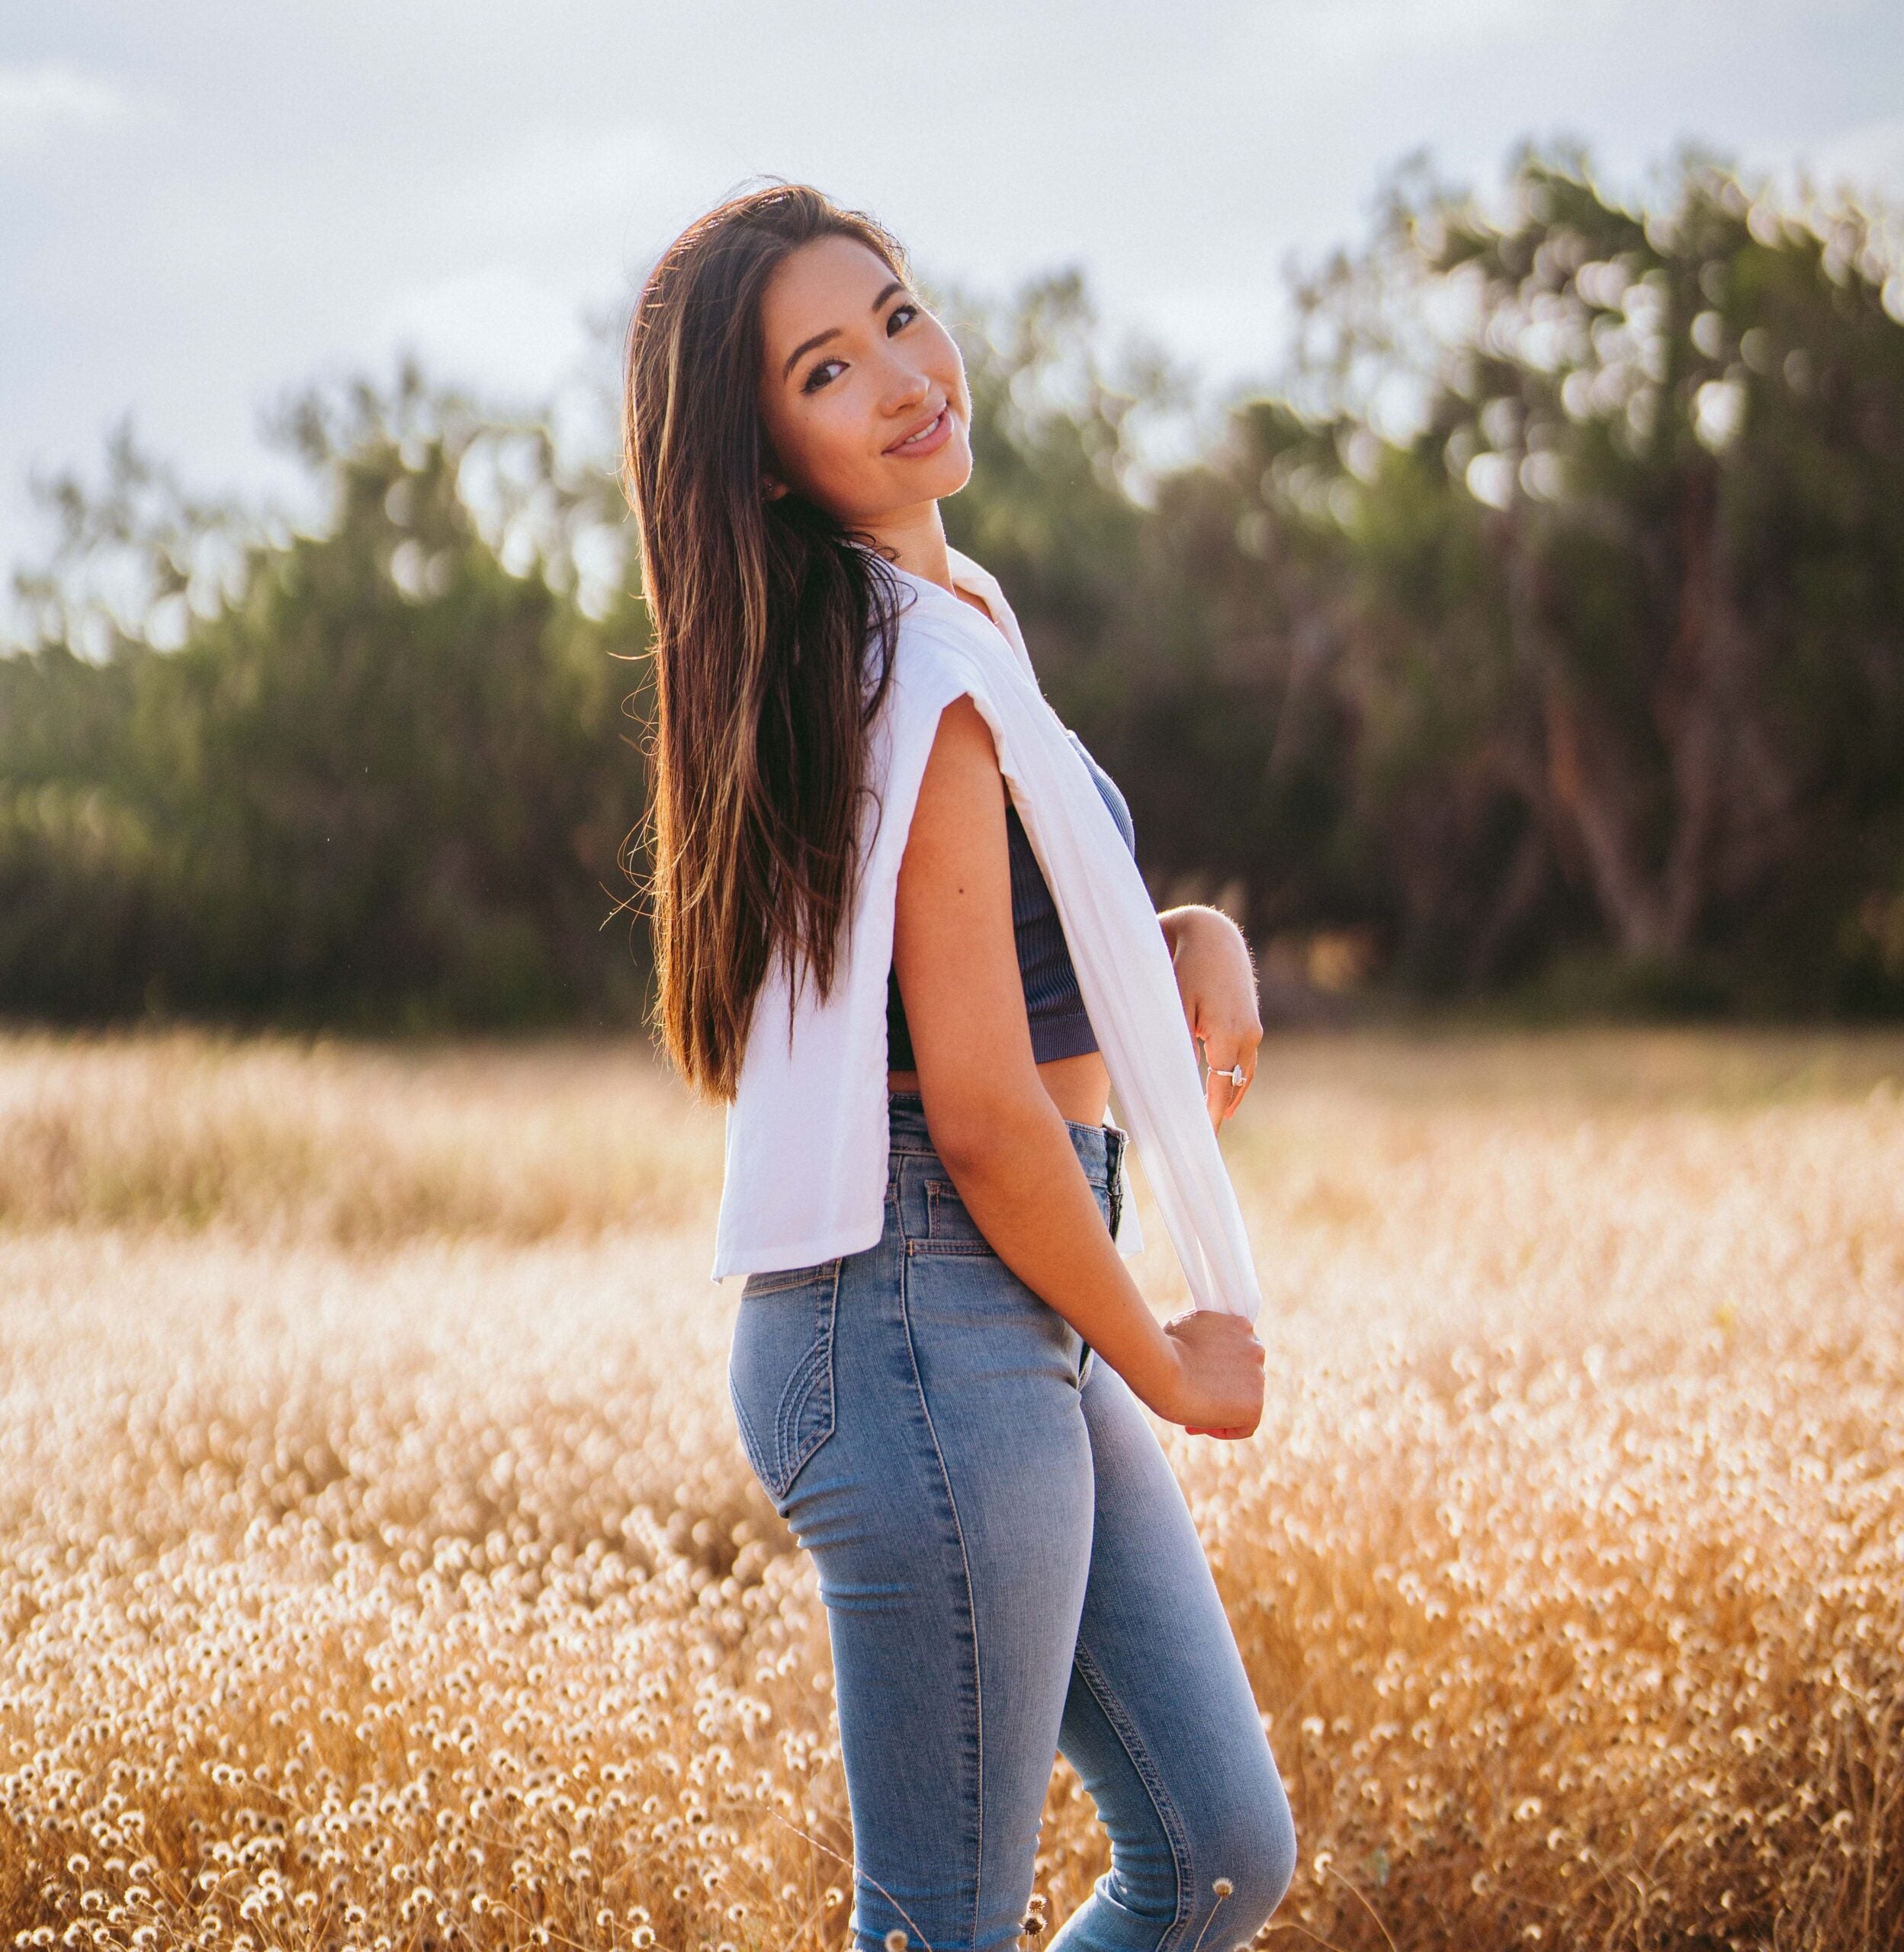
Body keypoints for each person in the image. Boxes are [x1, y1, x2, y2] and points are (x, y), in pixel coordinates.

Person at [622, 181, 1296, 1952]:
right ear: (767, 459)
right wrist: (1166, 1361)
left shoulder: (947, 616)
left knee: (1216, 1844)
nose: (906, 373)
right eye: (829, 370)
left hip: (989, 1290)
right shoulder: (900, 665)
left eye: (899, 315)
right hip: (927, 1297)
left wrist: (1186, 942)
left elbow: (975, 974)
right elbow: (986, 1115)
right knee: (941, 1926)